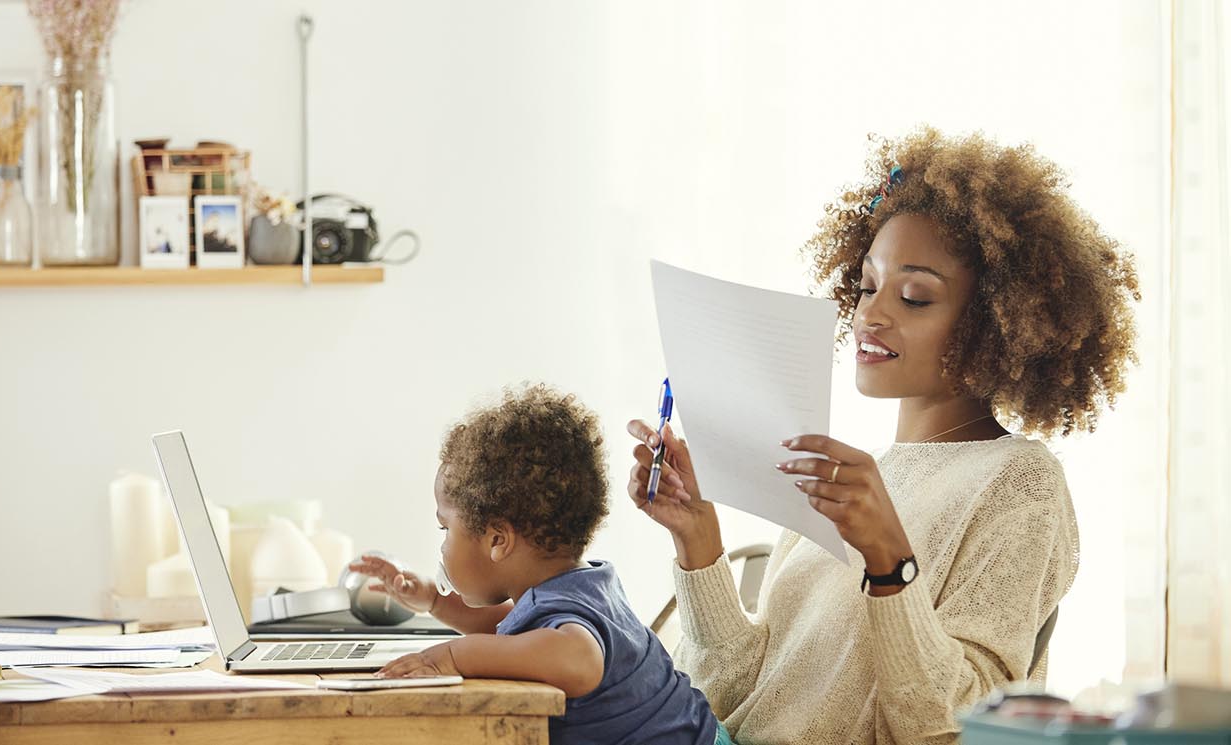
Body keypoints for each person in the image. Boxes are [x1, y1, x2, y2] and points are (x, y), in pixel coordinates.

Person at [627, 127, 1140, 744]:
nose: (870, 314)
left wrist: (889, 560)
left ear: (993, 325)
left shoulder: (1019, 483)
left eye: (915, 297)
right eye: (868, 286)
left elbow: (958, 729)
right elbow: (737, 695)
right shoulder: (854, 479)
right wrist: (698, 539)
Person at [354, 383, 726, 745]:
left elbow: (578, 660)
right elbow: (513, 634)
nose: (443, 544)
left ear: (497, 540)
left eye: (445, 528)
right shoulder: (582, 586)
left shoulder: (566, 618)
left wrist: (451, 657)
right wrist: (435, 601)